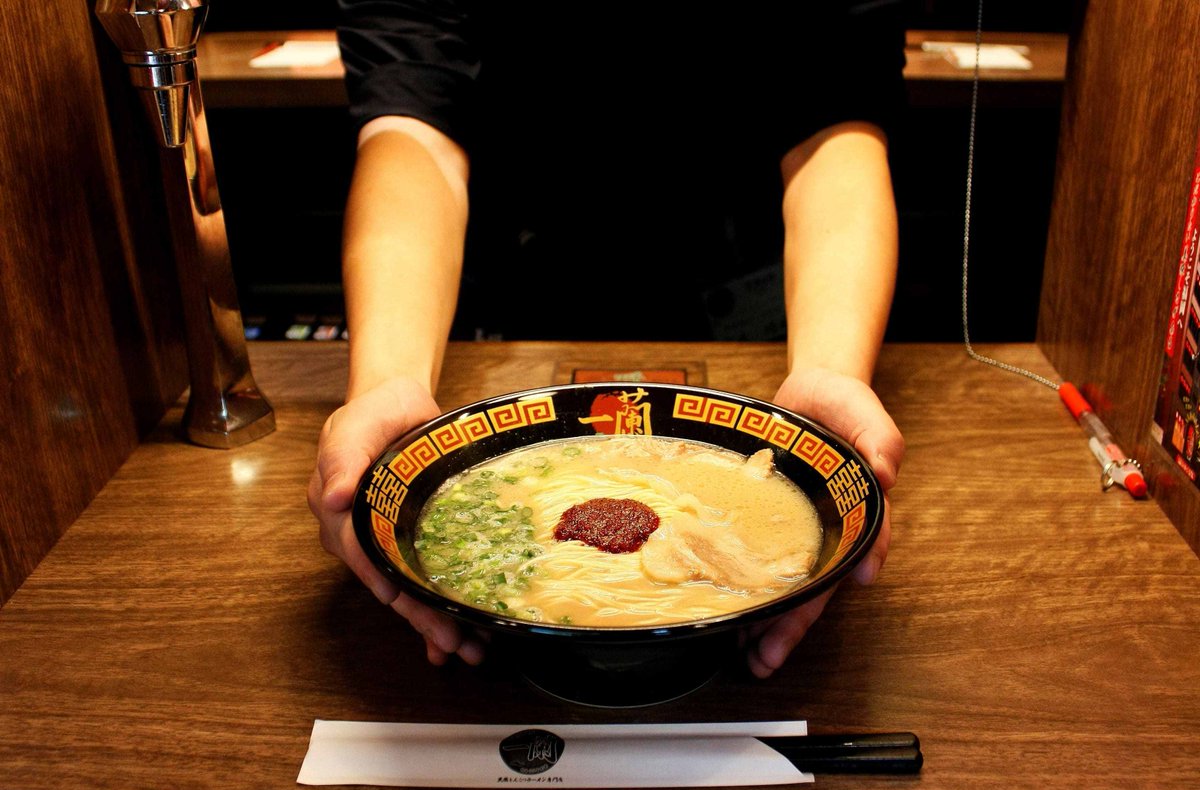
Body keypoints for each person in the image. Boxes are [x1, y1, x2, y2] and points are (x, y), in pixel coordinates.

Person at [308, 1, 907, 679]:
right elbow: (413, 121)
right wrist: (389, 381)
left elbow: (837, 115)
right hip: (511, 303)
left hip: (754, 301)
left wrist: (832, 370)